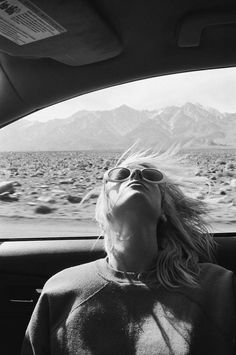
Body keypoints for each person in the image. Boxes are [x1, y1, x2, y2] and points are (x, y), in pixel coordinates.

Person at [21, 147, 236, 355]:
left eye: (150, 175)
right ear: (105, 208)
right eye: (121, 175)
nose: (135, 175)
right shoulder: (62, 290)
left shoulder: (219, 286)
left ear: (163, 210)